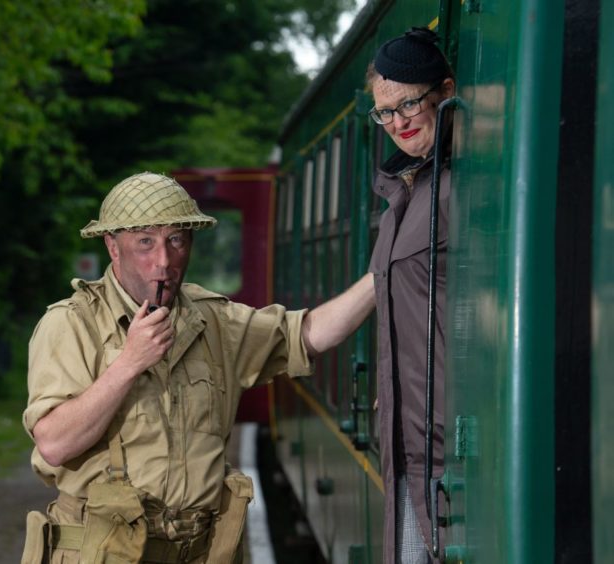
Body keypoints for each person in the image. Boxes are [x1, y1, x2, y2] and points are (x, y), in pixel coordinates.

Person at [22, 171, 373, 564]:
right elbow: (54, 443)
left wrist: (380, 276)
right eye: (144, 242)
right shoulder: (71, 325)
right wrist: (129, 362)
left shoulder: (214, 321)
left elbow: (309, 334)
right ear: (112, 247)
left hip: (202, 551)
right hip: (105, 550)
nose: (164, 261)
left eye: (176, 240)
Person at [306, 27, 456, 564]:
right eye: (384, 112)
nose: (398, 121)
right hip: (406, 440)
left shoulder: (461, 184)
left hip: (448, 452)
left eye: (410, 102)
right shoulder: (405, 191)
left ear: (445, 91)